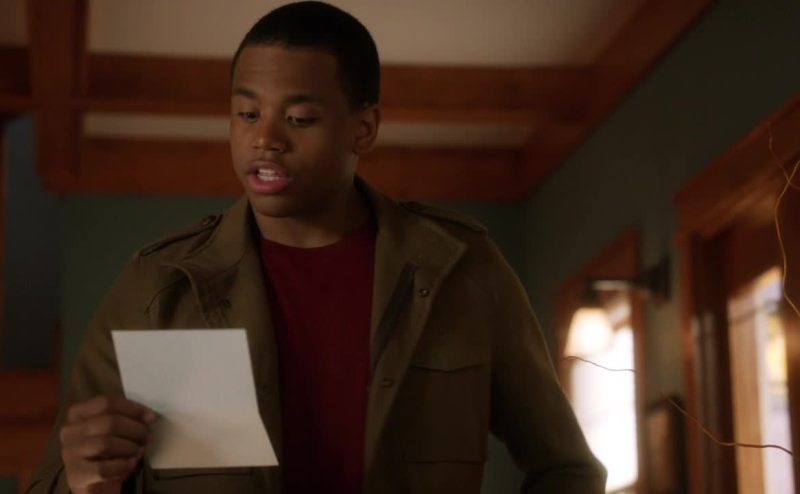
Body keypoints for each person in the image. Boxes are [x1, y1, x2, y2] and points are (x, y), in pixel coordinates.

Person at [27, 2, 606, 493]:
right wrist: (82, 480)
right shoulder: (159, 285)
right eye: (247, 113)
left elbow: (568, 469)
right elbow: (55, 479)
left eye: (299, 118)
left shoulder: (462, 270)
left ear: (363, 129)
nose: (265, 139)